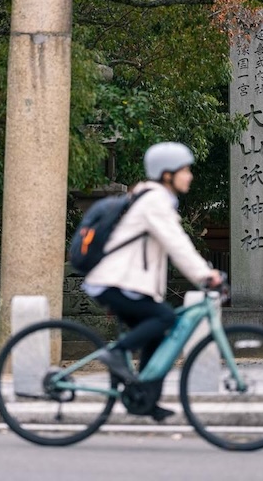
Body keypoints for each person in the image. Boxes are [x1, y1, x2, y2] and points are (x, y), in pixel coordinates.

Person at [83, 142, 222, 422]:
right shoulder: (155, 201)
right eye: (185, 170)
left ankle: (146, 399)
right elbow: (177, 244)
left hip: (129, 285)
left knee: (158, 336)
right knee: (166, 319)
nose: (190, 176)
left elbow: (174, 244)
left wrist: (204, 271)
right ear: (167, 174)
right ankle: (116, 353)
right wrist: (206, 275)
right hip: (114, 282)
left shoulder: (155, 199)